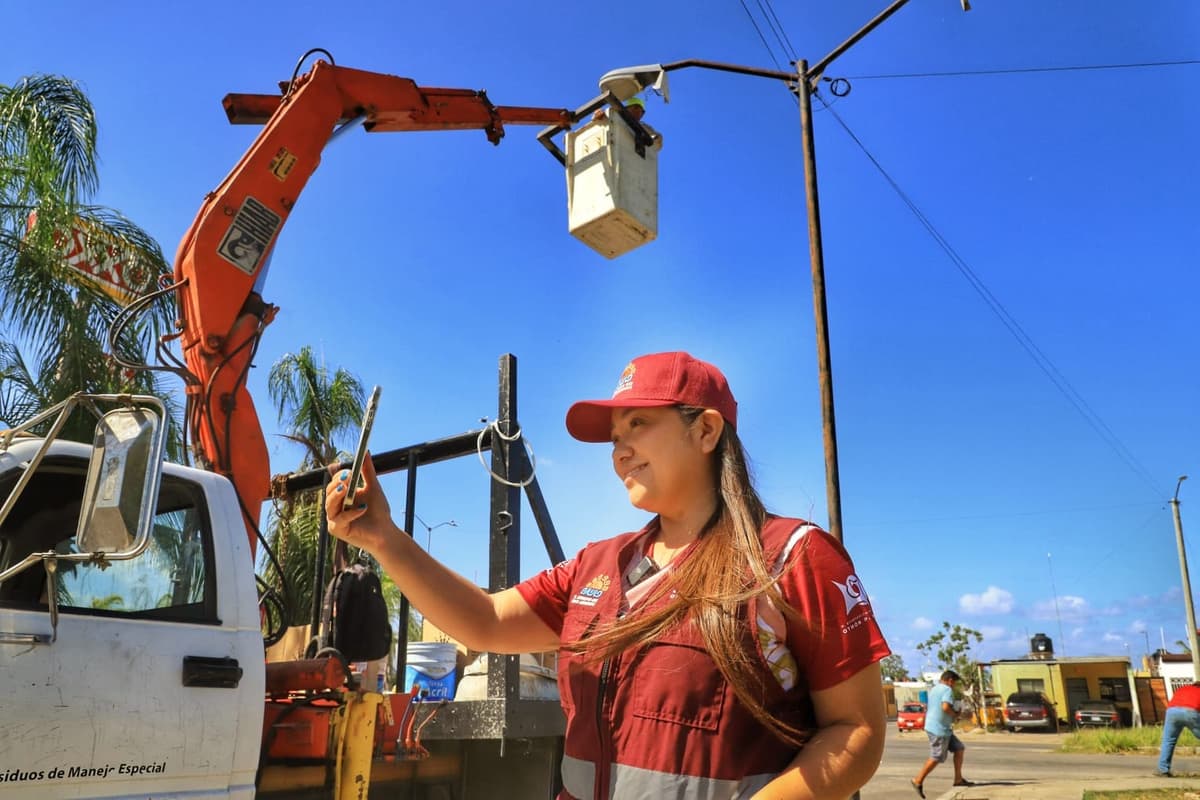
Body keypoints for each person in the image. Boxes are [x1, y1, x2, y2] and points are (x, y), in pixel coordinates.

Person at [324, 350, 891, 798]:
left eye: (638, 424)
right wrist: (384, 538)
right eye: (616, 438)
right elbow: (486, 621)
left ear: (705, 431)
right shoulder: (597, 565)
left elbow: (856, 732)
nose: (619, 452)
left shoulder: (791, 558)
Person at [911, 670, 972, 797]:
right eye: (954, 683)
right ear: (950, 680)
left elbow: (939, 707)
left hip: (940, 728)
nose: (954, 685)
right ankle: (917, 780)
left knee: (959, 748)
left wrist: (952, 714)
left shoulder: (934, 689)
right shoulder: (947, 690)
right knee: (936, 756)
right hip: (938, 729)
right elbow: (945, 707)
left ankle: (958, 779)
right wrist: (955, 714)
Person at [1158, 681, 1200, 776]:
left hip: (1172, 711)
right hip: (1190, 712)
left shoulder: (1182, 689)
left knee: (1168, 741)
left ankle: (1162, 770)